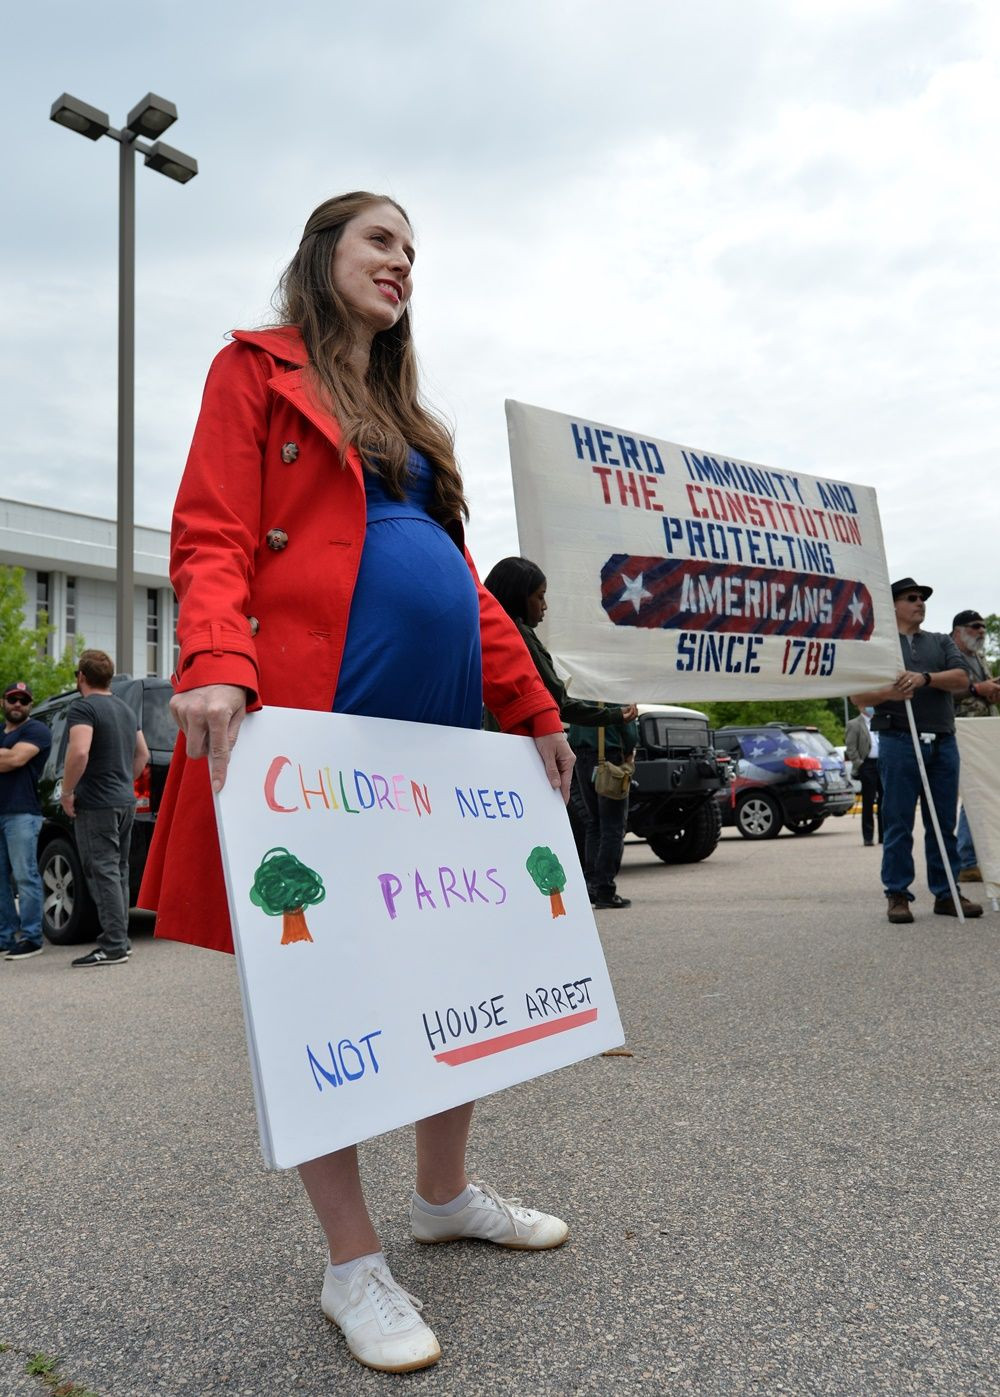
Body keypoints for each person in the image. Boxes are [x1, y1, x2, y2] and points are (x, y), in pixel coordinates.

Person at [138, 194, 577, 1375]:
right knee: (317, 988)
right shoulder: (255, 370)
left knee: (460, 963)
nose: (402, 262)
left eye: (414, 251)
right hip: (314, 734)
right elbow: (211, 532)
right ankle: (351, 1260)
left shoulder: (413, 422)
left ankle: (442, 1194)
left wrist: (531, 705)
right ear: (321, 254)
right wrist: (218, 662)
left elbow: (465, 583)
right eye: (380, 240)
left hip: (440, 738)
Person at [481, 556, 639, 908]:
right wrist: (617, 717)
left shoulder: (487, 635)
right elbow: (557, 702)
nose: (545, 605)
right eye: (539, 595)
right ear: (518, 596)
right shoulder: (517, 637)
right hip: (525, 755)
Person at [849, 577, 983, 925]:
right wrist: (891, 693)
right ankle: (897, 893)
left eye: (922, 598)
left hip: (942, 740)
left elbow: (961, 679)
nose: (919, 603)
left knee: (943, 823)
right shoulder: (879, 646)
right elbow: (859, 697)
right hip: (898, 741)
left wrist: (924, 678)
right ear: (892, 605)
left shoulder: (939, 642)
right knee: (897, 821)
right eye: (911, 598)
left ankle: (947, 891)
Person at [61, 651, 149, 968]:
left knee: (103, 871)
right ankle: (119, 940)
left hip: (97, 803)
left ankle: (113, 945)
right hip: (124, 800)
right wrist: (125, 779)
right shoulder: (125, 710)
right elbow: (143, 754)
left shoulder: (83, 707)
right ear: (109, 678)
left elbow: (79, 752)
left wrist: (67, 791)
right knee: (118, 871)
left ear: (81, 677)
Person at [0, 682, 52, 962]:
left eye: (23, 699)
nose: (18, 704)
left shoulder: (37, 730)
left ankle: (32, 937)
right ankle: (4, 936)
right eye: (12, 699)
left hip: (22, 813)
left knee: (25, 876)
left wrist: (9, 757)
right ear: (3, 702)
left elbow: (15, 759)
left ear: (30, 704)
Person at [565, 713, 639, 908]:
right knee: (612, 826)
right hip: (609, 759)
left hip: (582, 760)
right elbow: (629, 730)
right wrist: (630, 750)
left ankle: (591, 886)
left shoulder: (580, 691)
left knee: (593, 823)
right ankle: (605, 889)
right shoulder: (612, 690)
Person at [950, 609, 1000, 883]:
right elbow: (943, 690)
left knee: (980, 792)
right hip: (960, 731)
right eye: (975, 626)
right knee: (973, 794)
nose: (982, 631)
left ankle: (972, 858)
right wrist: (976, 689)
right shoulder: (949, 654)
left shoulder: (979, 657)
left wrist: (991, 690)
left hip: (983, 732)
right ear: (958, 630)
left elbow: (982, 690)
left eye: (983, 626)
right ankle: (967, 860)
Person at [844, 703, 883, 846]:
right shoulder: (854, 724)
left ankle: (883, 836)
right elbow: (851, 747)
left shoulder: (879, 720)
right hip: (867, 765)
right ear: (861, 707)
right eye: (867, 705)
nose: (870, 708)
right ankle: (868, 836)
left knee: (884, 802)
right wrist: (859, 764)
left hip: (882, 764)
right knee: (868, 801)